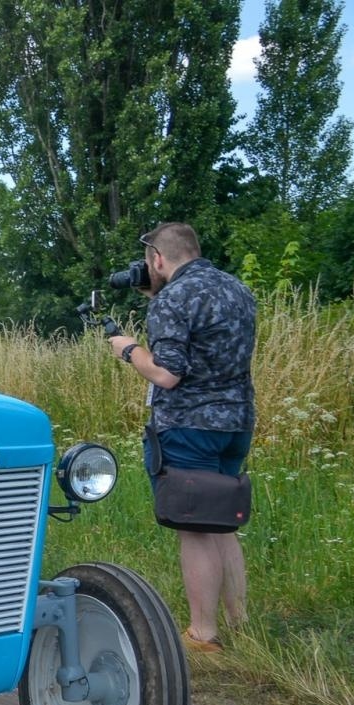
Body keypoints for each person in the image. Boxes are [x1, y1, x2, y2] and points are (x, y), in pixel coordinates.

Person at [107, 222, 256, 653]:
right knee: (223, 524)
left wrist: (129, 349)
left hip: (190, 426)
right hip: (236, 423)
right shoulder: (237, 290)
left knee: (194, 528)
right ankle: (239, 622)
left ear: (157, 258)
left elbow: (167, 373)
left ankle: (203, 633)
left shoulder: (174, 298)